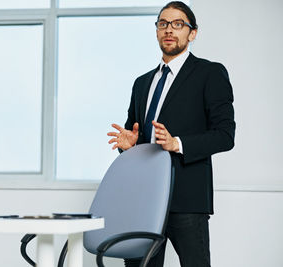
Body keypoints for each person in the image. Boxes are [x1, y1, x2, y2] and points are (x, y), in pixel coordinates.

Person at [107, 1, 235, 267]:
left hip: (186, 198)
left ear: (192, 33)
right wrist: (129, 146)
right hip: (143, 199)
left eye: (178, 24)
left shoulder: (209, 73)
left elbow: (225, 135)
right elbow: (136, 134)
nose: (169, 30)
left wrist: (177, 143)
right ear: (156, 31)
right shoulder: (142, 83)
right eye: (163, 24)